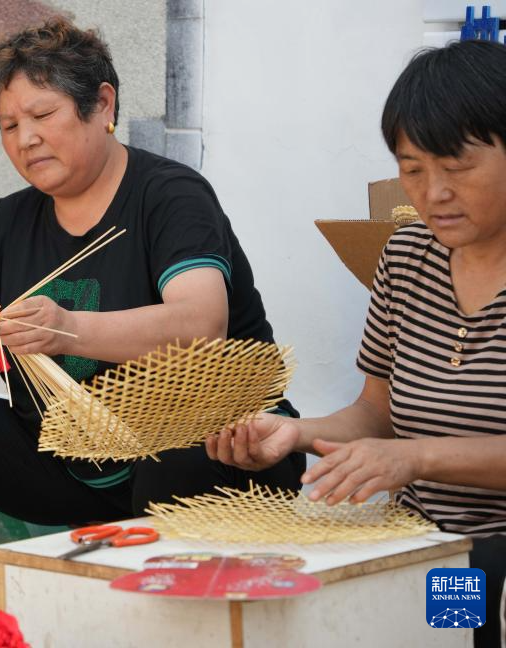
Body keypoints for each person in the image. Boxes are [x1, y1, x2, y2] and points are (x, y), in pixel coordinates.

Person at [0, 17, 303, 607]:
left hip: (219, 450)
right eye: (8, 125)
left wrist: (69, 328)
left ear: (101, 104)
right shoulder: (7, 222)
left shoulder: (169, 196)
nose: (25, 137)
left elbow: (201, 323)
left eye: (42, 115)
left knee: (176, 448)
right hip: (76, 465)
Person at [207, 40, 506, 648]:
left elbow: (406, 451)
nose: (433, 193)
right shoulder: (407, 256)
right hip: (431, 545)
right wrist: (298, 434)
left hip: (493, 556)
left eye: (457, 167)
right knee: (426, 630)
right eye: (413, 169)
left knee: (469, 613)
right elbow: (377, 414)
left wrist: (418, 459)